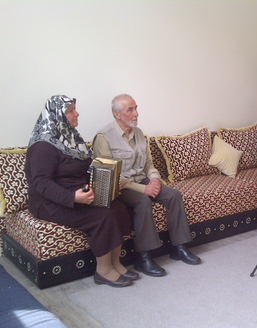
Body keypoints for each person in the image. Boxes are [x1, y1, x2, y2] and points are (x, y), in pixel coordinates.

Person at [25, 95, 136, 288]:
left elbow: (85, 170)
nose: (76, 113)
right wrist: (73, 197)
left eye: (75, 109)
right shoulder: (43, 145)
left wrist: (108, 185)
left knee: (118, 206)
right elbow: (41, 183)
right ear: (57, 116)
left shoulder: (72, 139)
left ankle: (115, 263)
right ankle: (103, 270)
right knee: (102, 216)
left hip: (77, 194)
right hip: (50, 202)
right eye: (70, 111)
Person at [93, 94, 201, 277]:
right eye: (130, 110)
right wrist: (144, 189)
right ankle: (143, 257)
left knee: (173, 195)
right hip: (121, 187)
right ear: (117, 114)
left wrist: (154, 179)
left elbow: (149, 163)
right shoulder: (103, 138)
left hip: (143, 180)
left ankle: (179, 247)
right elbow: (111, 175)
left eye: (136, 108)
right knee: (143, 202)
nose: (136, 113)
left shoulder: (139, 133)